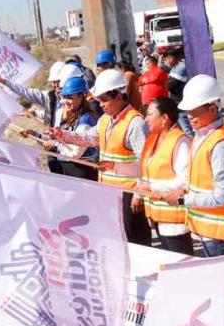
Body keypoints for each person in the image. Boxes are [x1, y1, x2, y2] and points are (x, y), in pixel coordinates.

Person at [52, 69, 152, 245]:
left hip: (129, 195)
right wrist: (65, 136)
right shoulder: (105, 119)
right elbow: (90, 138)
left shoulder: (135, 123)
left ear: (119, 96)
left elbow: (146, 162)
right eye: (99, 100)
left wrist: (139, 193)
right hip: (109, 192)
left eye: (105, 100)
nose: (102, 104)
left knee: (135, 241)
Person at [160, 74, 224, 256]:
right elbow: (199, 181)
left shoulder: (220, 145)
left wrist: (181, 200)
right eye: (188, 111)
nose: (189, 116)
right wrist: (183, 191)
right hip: (206, 231)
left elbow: (222, 196)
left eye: (195, 111)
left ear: (212, 109)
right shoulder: (202, 137)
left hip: (219, 236)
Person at [136, 97, 193, 255]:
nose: (146, 119)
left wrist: (151, 187)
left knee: (182, 267)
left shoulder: (180, 142)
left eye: (150, 114)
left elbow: (184, 180)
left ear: (164, 118)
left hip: (174, 221)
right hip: (159, 217)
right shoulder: (153, 139)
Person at [32, 76, 98, 181]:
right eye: (65, 97)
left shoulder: (86, 121)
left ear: (82, 96)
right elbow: (60, 142)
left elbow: (74, 153)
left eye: (70, 97)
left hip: (83, 174)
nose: (66, 101)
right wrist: (34, 135)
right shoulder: (70, 115)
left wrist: (55, 144)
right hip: (69, 171)